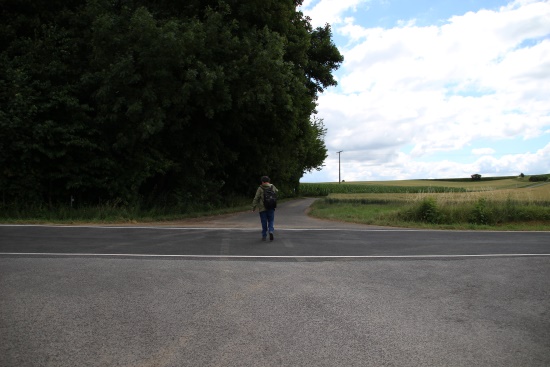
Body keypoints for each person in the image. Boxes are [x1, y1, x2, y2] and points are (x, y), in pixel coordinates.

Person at [251, 176, 278, 241]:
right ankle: (271, 231)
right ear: (269, 181)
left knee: (264, 222)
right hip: (271, 207)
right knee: (271, 220)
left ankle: (264, 235)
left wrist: (253, 207)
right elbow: (276, 191)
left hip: (262, 208)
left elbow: (256, 198)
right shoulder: (272, 186)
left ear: (262, 181)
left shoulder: (260, 188)